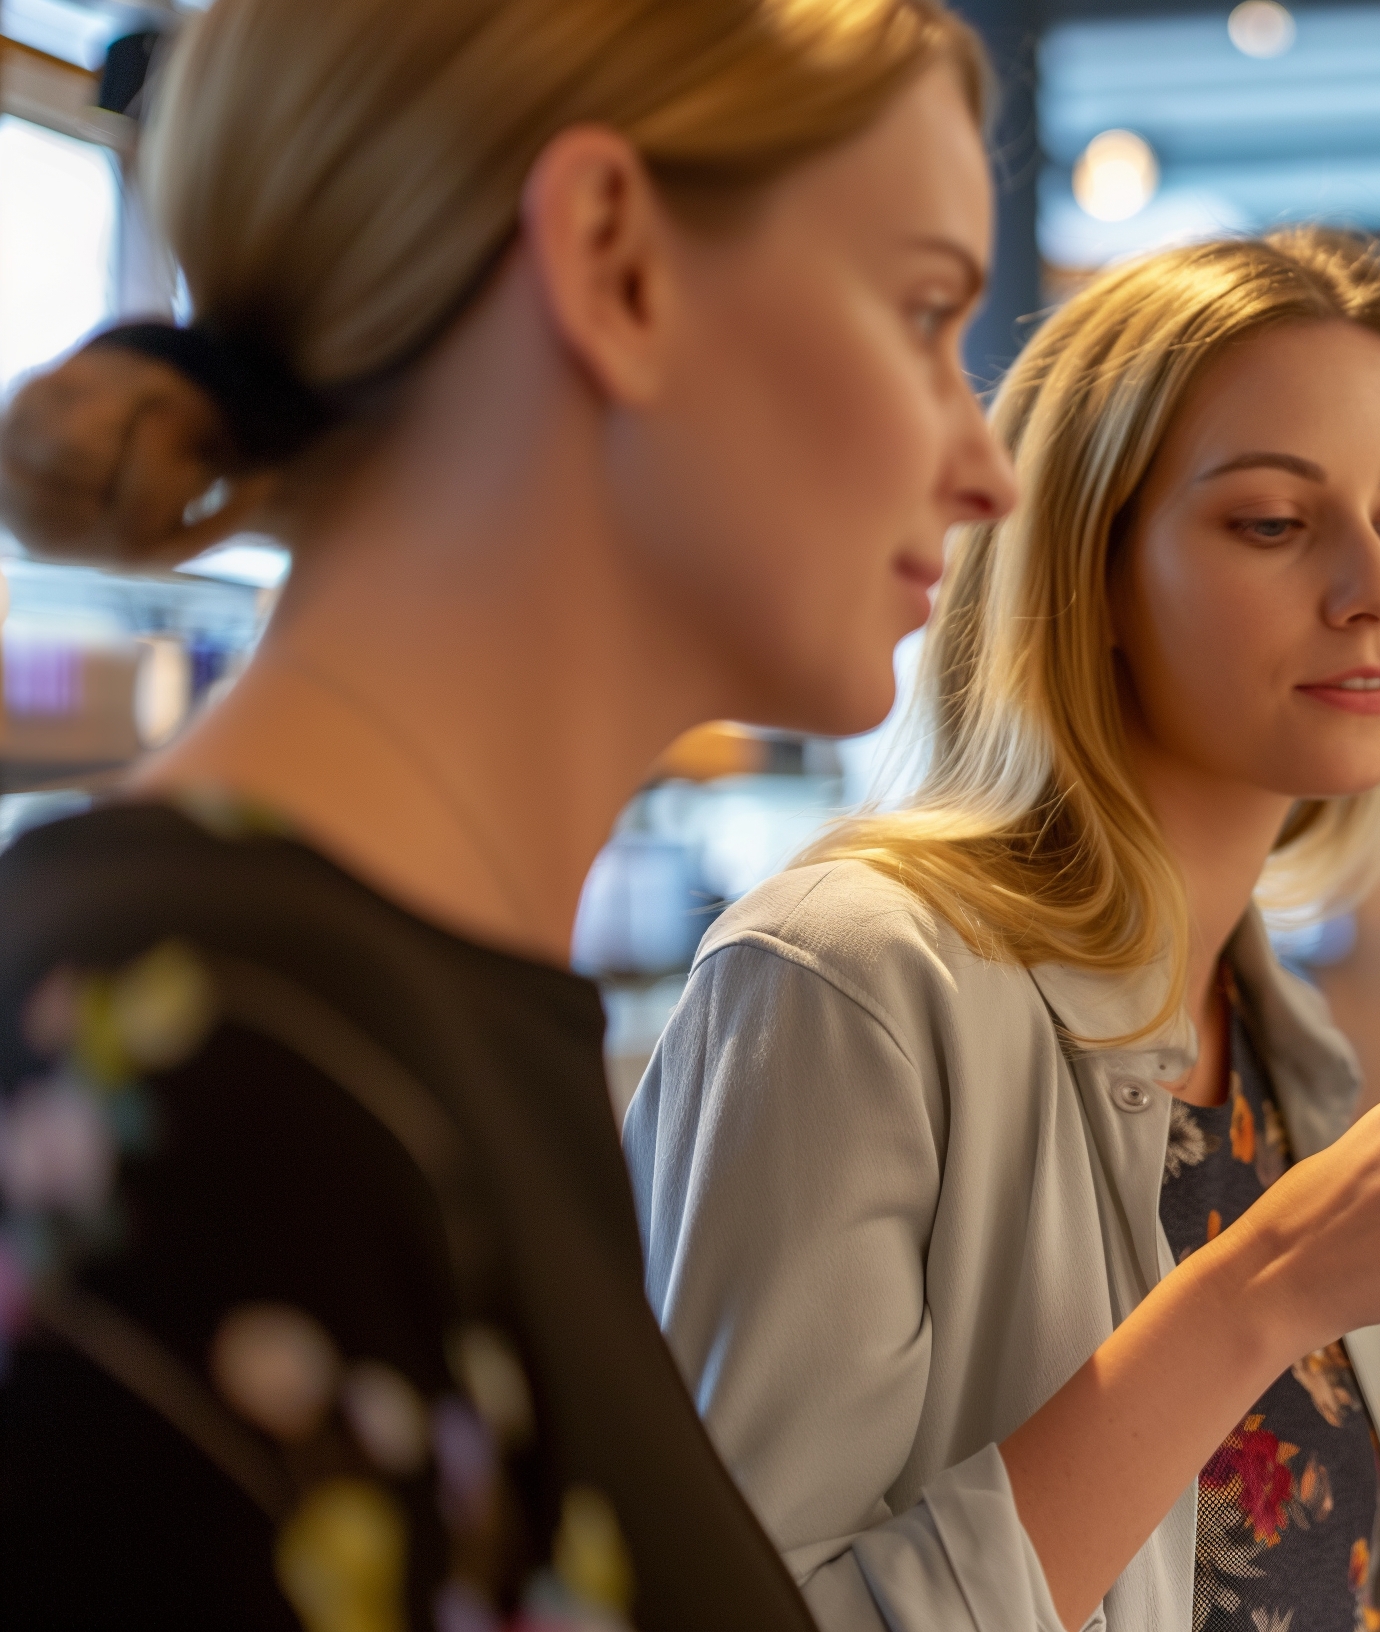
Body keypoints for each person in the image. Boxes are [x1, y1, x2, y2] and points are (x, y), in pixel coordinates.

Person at [0, 0, 1007, 1623]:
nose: (986, 466)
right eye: (921, 311)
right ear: (614, 266)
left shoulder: (406, 1020)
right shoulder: (221, 1051)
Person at [622, 226, 1380, 1632]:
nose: (1375, 591)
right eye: (1274, 523)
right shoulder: (850, 978)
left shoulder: (1282, 1056)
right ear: (1090, 570)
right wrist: (1265, 1292)